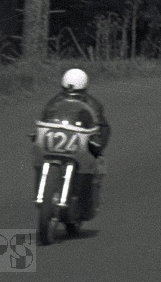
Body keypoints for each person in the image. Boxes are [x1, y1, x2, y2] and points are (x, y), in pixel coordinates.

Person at [37, 68, 111, 217]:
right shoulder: (54, 101)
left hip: (81, 145)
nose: (71, 95)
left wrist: (98, 144)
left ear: (84, 90)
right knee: (38, 161)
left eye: (76, 93)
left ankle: (85, 204)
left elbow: (102, 126)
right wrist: (37, 132)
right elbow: (45, 119)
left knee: (97, 166)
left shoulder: (93, 104)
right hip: (56, 143)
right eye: (67, 91)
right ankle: (44, 192)